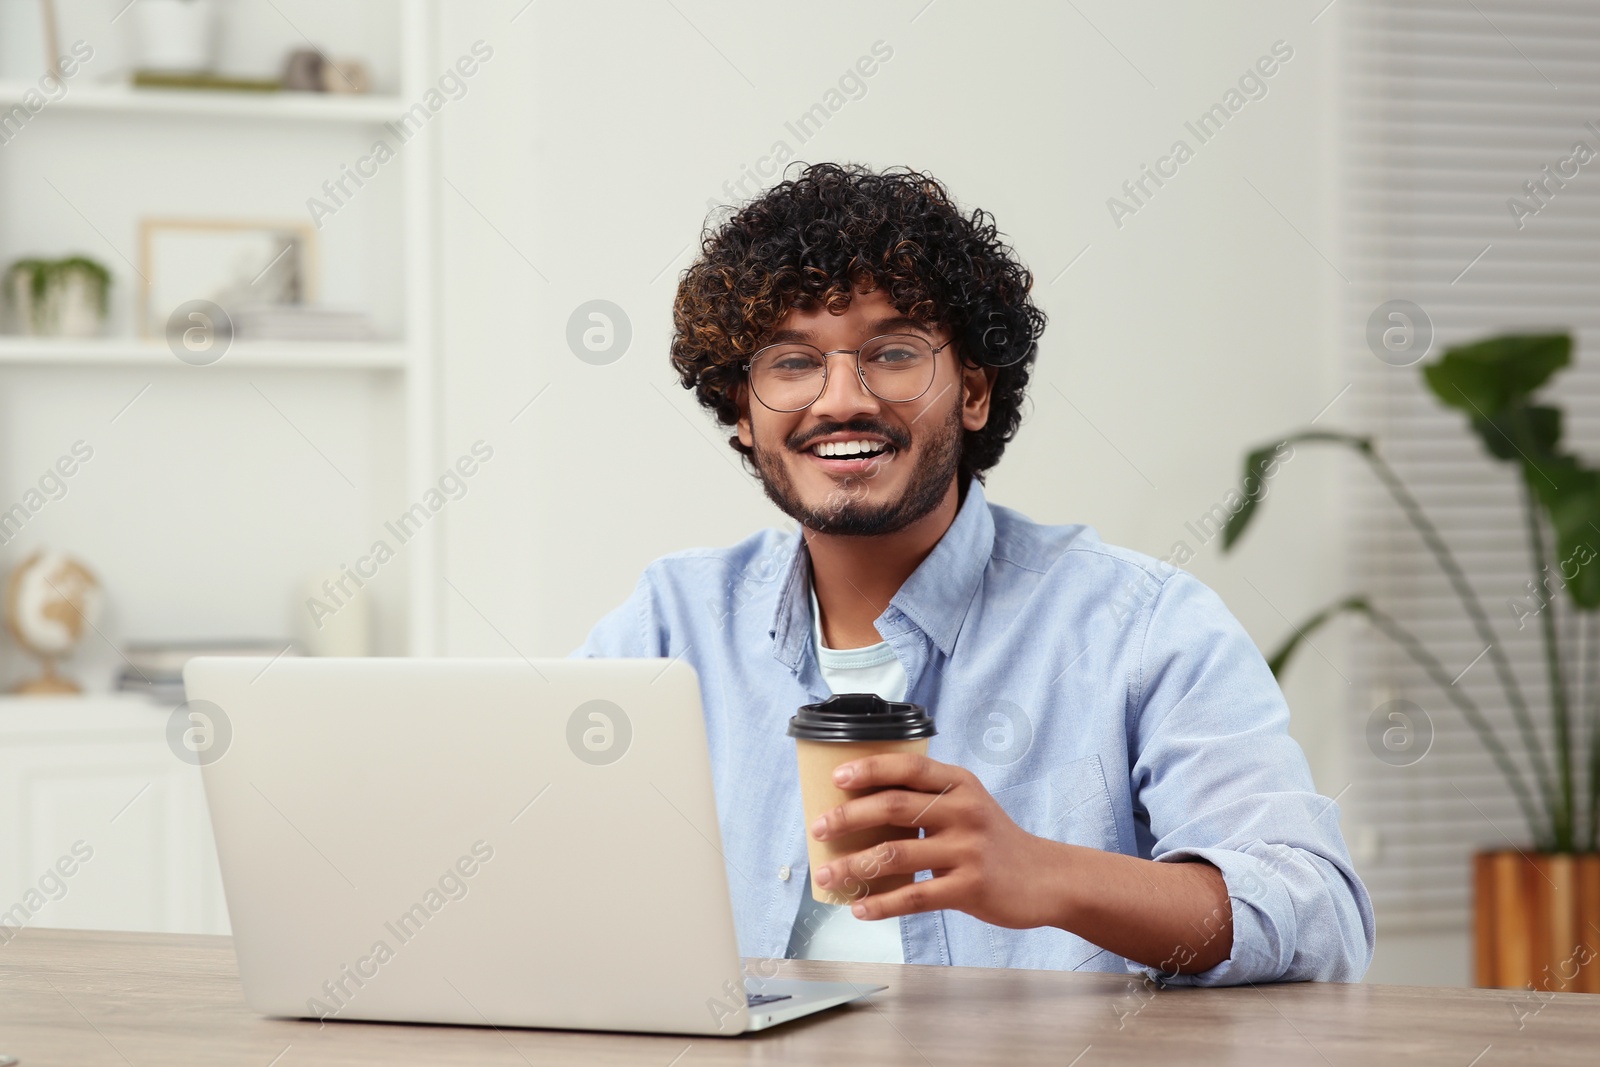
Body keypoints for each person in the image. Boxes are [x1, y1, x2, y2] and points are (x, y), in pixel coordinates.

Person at [574, 162, 1373, 984]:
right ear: (743, 413)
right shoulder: (669, 625)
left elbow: (1320, 915)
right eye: (791, 362)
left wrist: (1048, 873)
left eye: (893, 352)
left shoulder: (1140, 624)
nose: (841, 398)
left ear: (975, 392)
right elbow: (531, 872)